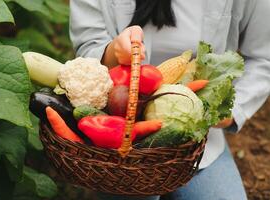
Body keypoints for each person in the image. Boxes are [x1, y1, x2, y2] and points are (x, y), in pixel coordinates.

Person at [69, 0, 270, 199]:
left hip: (198, 141)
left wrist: (232, 110)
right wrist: (114, 52)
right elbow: (89, 43)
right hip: (118, 138)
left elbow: (263, 57)